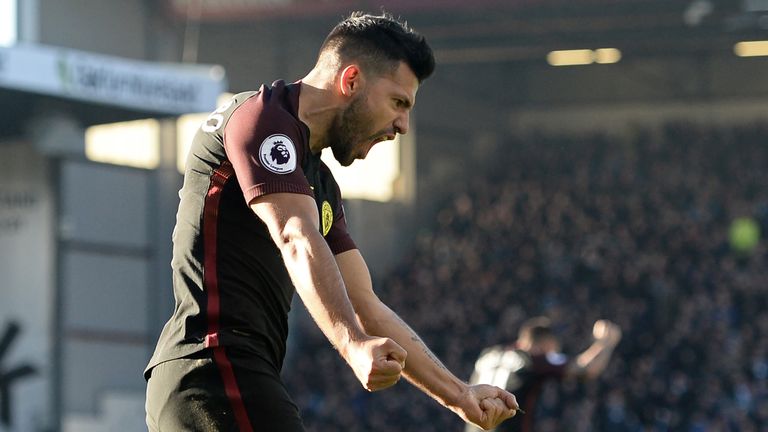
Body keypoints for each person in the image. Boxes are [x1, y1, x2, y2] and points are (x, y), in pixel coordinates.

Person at [144, 11, 520, 432]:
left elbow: (366, 303)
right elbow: (295, 236)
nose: (403, 125)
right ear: (352, 80)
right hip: (212, 369)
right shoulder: (262, 119)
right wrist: (352, 343)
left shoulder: (318, 183)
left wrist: (460, 394)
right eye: (399, 102)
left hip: (234, 373)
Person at [465, 317, 622, 432]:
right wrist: (606, 342)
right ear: (545, 344)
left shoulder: (488, 355)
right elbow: (587, 369)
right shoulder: (533, 358)